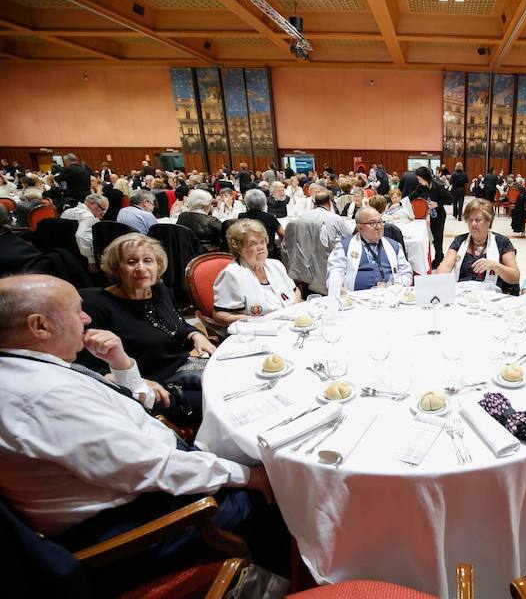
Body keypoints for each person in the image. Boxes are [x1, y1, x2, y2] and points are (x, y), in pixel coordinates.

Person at [0, 274, 288, 576]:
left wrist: (120, 364)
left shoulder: (31, 367)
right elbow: (152, 468)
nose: (86, 318)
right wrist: (250, 478)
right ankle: (281, 578)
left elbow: (121, 414)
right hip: (142, 521)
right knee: (281, 485)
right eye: (75, 311)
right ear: (39, 326)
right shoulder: (44, 397)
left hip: (145, 476)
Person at [74, 233, 215, 424]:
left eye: (148, 260)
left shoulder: (158, 290)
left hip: (185, 369)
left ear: (157, 264)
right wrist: (134, 382)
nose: (141, 268)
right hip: (153, 389)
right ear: (116, 268)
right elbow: (83, 367)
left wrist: (196, 334)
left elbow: (179, 325)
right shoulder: (97, 307)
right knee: (221, 402)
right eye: (131, 262)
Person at [213, 219, 301, 325]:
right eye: (253, 243)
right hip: (259, 331)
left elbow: (296, 291)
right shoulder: (232, 274)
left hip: (291, 323)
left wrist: (294, 310)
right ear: (239, 249)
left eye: (262, 241)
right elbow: (220, 315)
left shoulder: (276, 265)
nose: (261, 247)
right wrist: (257, 321)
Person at [436, 199, 520, 293]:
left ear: (489, 221)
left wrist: (495, 266)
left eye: (478, 220)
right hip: (463, 295)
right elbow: (444, 267)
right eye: (470, 220)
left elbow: (515, 277)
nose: (473, 224)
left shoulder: (502, 242)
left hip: (492, 297)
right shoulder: (460, 241)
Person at [326, 206, 413, 295]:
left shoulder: (394, 246)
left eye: (380, 222)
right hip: (357, 300)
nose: (379, 227)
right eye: (372, 223)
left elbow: (406, 272)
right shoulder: (344, 248)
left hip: (390, 296)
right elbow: (335, 272)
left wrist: (397, 287)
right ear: (359, 227)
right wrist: (338, 288)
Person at [409, 166, 451, 268]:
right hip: (429, 215)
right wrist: (399, 203)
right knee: (432, 238)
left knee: (438, 238)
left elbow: (450, 199)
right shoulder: (421, 187)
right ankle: (438, 256)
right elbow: (412, 196)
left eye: (420, 179)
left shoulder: (438, 186)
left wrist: (437, 204)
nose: (419, 181)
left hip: (439, 214)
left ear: (425, 178)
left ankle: (439, 259)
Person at [60, 193, 108, 272]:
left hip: (65, 254)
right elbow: (81, 236)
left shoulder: (67, 211)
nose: (102, 215)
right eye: (102, 210)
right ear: (93, 204)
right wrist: (91, 260)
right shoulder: (88, 216)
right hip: (81, 260)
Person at [238, 189, 284, 258]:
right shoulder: (269, 217)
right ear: (264, 202)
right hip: (269, 253)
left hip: (249, 253)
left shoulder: (241, 216)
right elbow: (283, 234)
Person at [176, 189, 222, 253]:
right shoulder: (211, 221)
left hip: (185, 253)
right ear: (205, 205)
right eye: (210, 204)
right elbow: (226, 234)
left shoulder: (182, 217)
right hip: (208, 255)